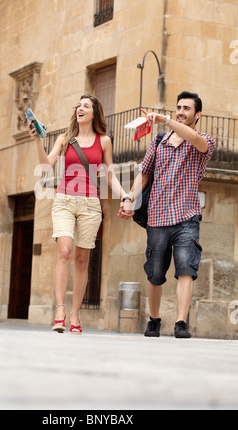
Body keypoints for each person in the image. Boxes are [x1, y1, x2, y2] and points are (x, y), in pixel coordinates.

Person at [118, 91, 216, 338]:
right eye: (179, 107)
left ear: (197, 115)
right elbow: (144, 173)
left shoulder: (203, 141)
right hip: (157, 217)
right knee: (155, 272)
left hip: (187, 217)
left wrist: (164, 119)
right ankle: (154, 319)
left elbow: (194, 138)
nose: (181, 112)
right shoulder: (159, 141)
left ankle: (181, 322)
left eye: (187, 109)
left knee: (186, 269)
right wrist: (129, 197)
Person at [30, 94, 130, 334]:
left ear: (95, 113)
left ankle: (75, 314)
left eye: (86, 106)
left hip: (90, 205)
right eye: (79, 105)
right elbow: (46, 165)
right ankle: (60, 310)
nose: (80, 108)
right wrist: (38, 142)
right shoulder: (65, 139)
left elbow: (110, 175)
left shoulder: (104, 141)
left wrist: (125, 196)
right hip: (64, 200)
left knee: (82, 260)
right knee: (64, 251)